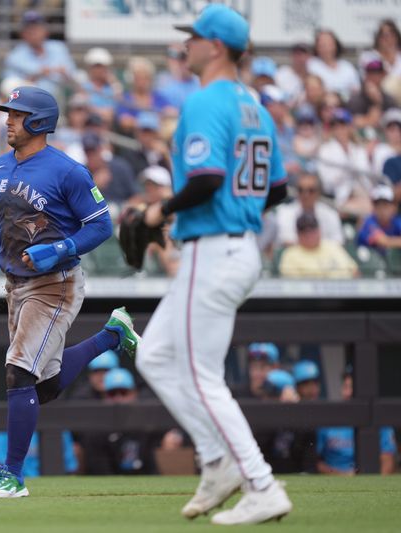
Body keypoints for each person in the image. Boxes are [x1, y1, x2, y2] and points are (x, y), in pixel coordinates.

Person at [135, 6, 293, 524]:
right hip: (237, 244)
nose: (187, 45)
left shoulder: (205, 100)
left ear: (217, 47)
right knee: (154, 355)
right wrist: (237, 212)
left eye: (195, 38)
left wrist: (157, 210)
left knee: (203, 376)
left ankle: (260, 482)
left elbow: (204, 179)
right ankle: (217, 461)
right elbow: (278, 190)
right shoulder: (257, 105)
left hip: (214, 249)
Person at [0, 85, 140, 498]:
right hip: (14, 284)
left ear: (39, 122)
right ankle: (112, 334)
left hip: (55, 283)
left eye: (17, 113)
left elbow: (100, 225)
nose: (8, 119)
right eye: (8, 112)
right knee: (42, 387)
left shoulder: (68, 171)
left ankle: (12, 476)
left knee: (18, 371)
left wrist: (59, 249)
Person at [78, 368, 158, 475]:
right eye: (112, 393)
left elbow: (153, 470)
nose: (118, 398)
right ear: (104, 396)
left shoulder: (147, 426)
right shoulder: (94, 431)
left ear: (134, 394)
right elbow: (101, 473)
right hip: (107, 486)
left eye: (124, 392)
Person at [317, 370, 397, 475]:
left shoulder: (380, 423)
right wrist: (343, 476)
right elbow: (316, 463)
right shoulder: (328, 421)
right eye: (346, 387)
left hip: (371, 481)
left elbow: (387, 462)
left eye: (353, 387)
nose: (349, 392)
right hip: (333, 482)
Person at [2, 12, 76, 98]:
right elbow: (8, 85)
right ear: (22, 34)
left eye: (37, 29)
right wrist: (36, 75)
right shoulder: (14, 56)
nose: (34, 33)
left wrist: (64, 74)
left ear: (46, 31)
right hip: (29, 99)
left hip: (59, 93)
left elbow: (73, 75)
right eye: (29, 30)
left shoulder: (59, 48)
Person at [279, 213, 358, 279]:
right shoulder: (290, 254)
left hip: (344, 295)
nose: (309, 235)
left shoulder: (333, 246)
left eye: (313, 230)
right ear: (298, 234)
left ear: (319, 230)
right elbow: (293, 287)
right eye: (304, 231)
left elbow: (355, 272)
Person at [275, 173, 344, 246]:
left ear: (319, 192)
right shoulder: (285, 212)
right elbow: (286, 239)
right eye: (301, 190)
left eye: (311, 190)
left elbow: (338, 240)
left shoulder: (330, 213)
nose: (305, 195)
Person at [307, 30, 360, 96]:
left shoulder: (347, 66)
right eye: (322, 44)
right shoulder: (311, 64)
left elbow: (356, 89)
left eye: (329, 43)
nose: (326, 47)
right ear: (317, 47)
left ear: (335, 45)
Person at [356, 184, 401, 254]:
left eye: (385, 205)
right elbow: (384, 241)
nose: (382, 210)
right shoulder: (368, 221)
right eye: (378, 205)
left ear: (393, 207)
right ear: (374, 207)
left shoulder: (396, 221)